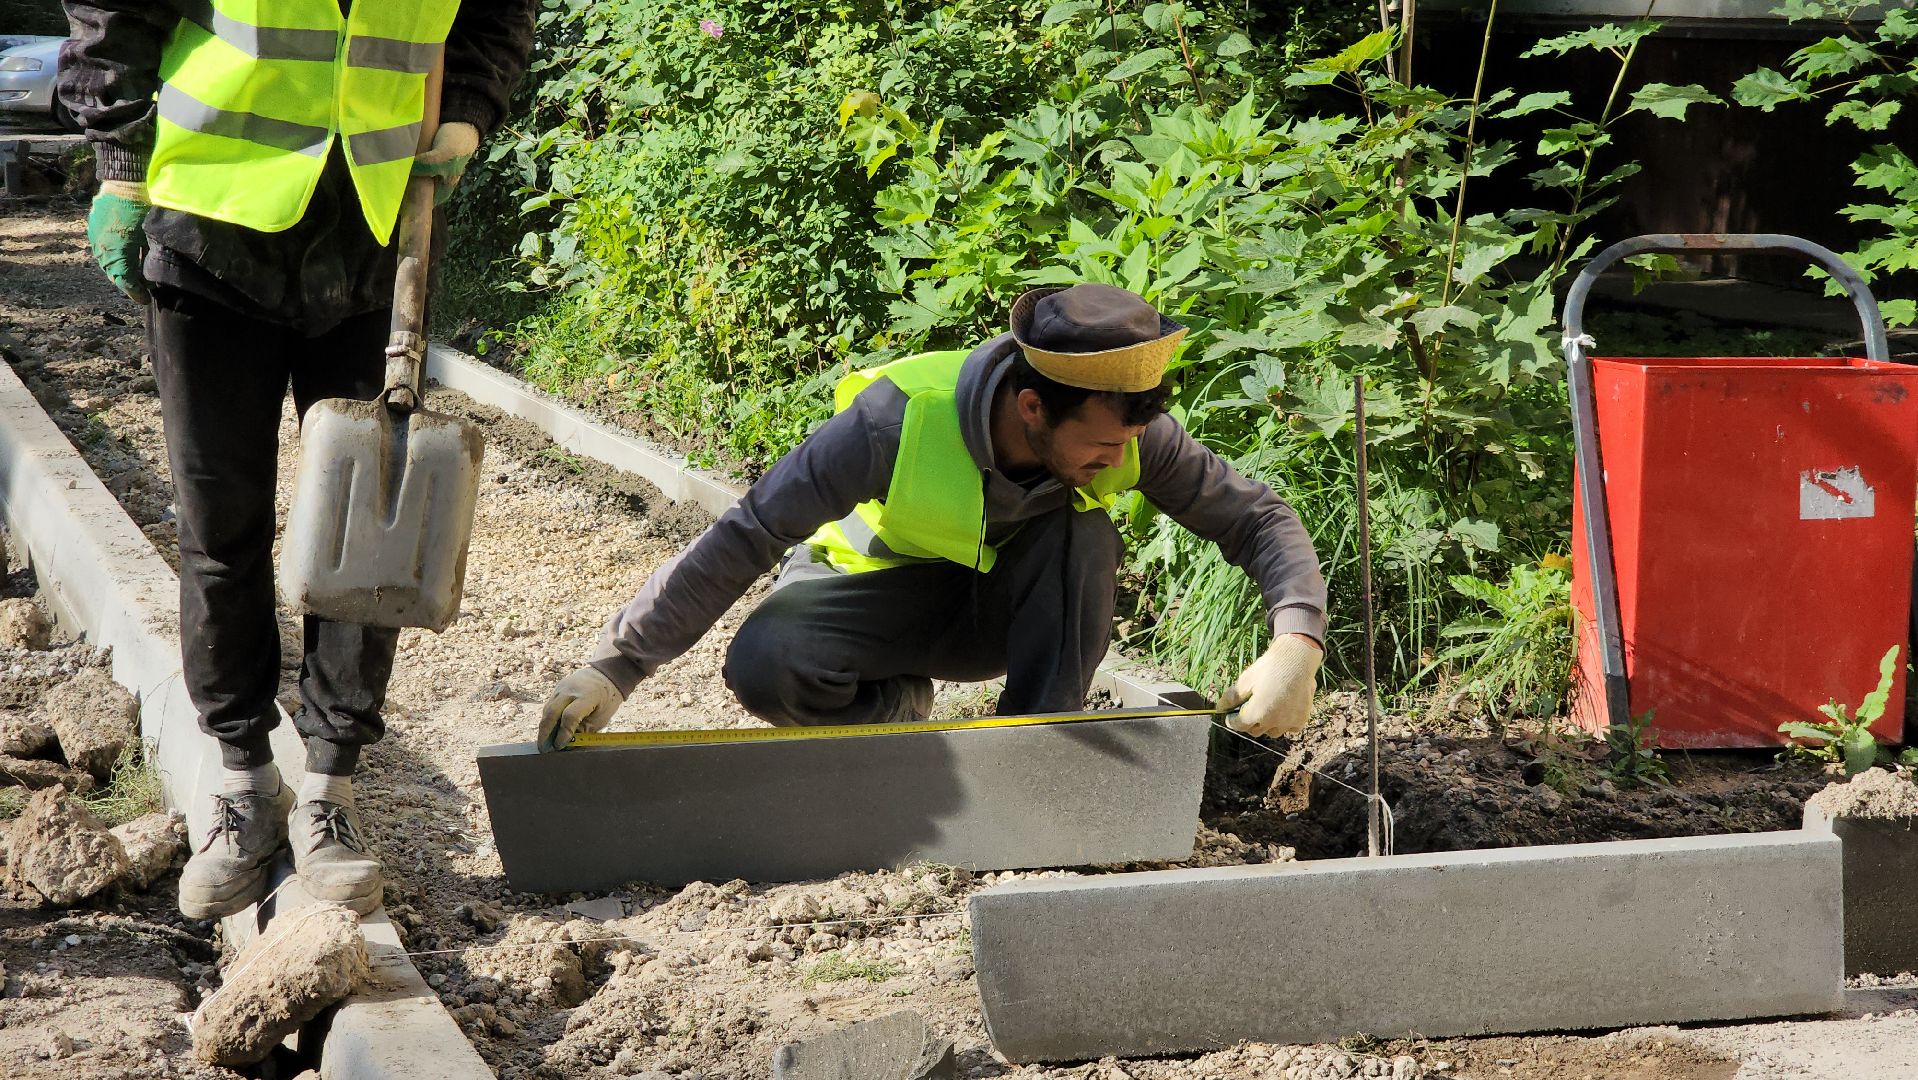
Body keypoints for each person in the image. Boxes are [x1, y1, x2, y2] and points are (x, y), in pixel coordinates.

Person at [60, 0, 535, 918]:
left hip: (369, 233)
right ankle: (241, 781)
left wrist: (469, 106)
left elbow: (497, 8)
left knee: (367, 529)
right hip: (208, 219)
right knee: (220, 520)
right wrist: (118, 162)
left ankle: (328, 788)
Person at [540, 284, 1329, 751]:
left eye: (1126, 439)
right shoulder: (892, 422)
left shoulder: (1129, 432)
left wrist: (1296, 643)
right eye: (1096, 443)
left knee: (1081, 536)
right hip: (873, 602)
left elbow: (1257, 519)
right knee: (766, 665)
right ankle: (893, 708)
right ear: (1031, 408)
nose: (1114, 456)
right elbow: (748, 531)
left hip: (996, 616)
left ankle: (1030, 753)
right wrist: (619, 665)